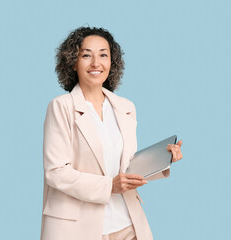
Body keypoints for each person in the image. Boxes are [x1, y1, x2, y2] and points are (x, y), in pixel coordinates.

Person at [41, 26, 183, 240]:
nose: (96, 63)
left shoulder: (125, 107)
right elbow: (56, 172)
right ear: (73, 62)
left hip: (128, 224)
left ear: (112, 62)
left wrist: (163, 159)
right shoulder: (61, 107)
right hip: (80, 228)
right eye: (86, 55)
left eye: (103, 55)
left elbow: (126, 169)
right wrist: (109, 186)